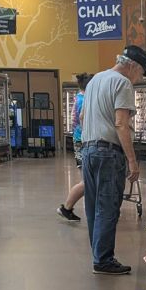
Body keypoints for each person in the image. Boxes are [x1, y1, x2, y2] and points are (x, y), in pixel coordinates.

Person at [79, 45, 146, 275]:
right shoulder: (123, 83)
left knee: (92, 206)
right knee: (108, 207)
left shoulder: (95, 79)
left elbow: (82, 116)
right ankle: (103, 260)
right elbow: (120, 123)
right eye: (140, 74)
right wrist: (132, 160)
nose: (139, 79)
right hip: (108, 152)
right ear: (133, 66)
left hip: (88, 150)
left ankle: (98, 254)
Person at [57, 72, 93, 222]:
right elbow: (83, 119)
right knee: (86, 181)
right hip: (84, 142)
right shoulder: (85, 100)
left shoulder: (79, 98)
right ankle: (66, 207)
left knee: (88, 179)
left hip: (79, 140)